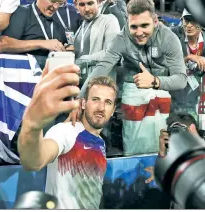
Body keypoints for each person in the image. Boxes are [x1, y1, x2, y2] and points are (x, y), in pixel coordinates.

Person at [68, 0, 187, 156]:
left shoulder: (168, 38)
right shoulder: (121, 39)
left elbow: (181, 79)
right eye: (134, 26)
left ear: (155, 21)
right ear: (128, 23)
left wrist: (155, 81)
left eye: (144, 25)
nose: (139, 32)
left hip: (163, 92)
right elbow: (102, 67)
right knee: (133, 146)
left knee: (160, 147)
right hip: (132, 92)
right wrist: (80, 98)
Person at [18, 63, 117, 209]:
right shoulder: (66, 131)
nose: (101, 108)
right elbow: (34, 161)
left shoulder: (101, 143)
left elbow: (94, 192)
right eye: (95, 99)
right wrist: (33, 125)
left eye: (107, 102)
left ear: (114, 110)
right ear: (83, 103)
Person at [170, 9, 205, 120]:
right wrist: (188, 57)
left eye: (193, 21)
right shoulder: (173, 35)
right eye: (186, 20)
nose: (189, 25)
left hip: (191, 94)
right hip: (170, 93)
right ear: (182, 20)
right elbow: (166, 64)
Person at [0, 0, 69, 69]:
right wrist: (42, 43)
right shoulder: (23, 12)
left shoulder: (60, 22)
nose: (56, 7)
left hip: (51, 74)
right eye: (53, 1)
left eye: (60, 3)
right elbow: (2, 45)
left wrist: (67, 49)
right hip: (23, 72)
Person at [74, 0, 120, 85]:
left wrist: (83, 60)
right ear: (76, 6)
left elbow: (112, 53)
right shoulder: (81, 27)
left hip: (102, 85)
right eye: (82, 4)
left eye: (90, 3)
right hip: (81, 85)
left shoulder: (109, 20)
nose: (87, 9)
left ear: (98, 3)